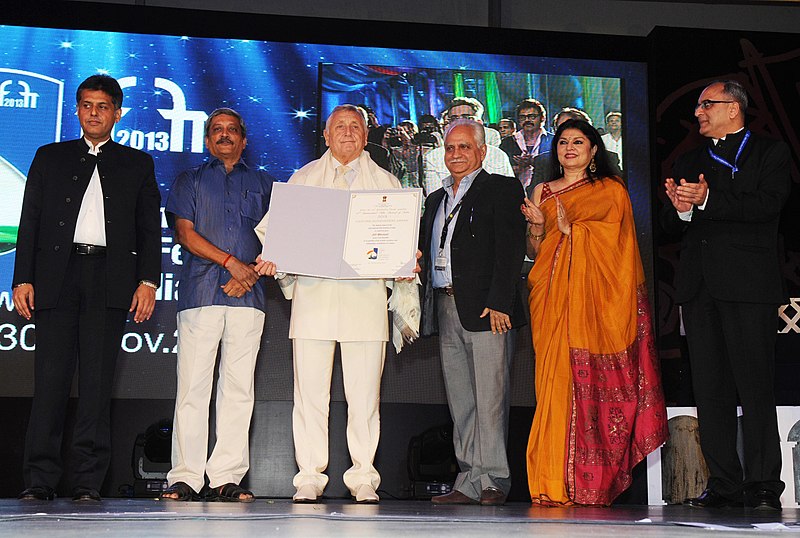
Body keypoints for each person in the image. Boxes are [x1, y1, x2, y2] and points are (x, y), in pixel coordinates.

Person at [12, 74, 161, 502]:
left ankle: (87, 484)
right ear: (77, 110)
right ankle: (38, 481)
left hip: (109, 280)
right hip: (57, 277)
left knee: (96, 387)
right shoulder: (49, 157)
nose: (93, 113)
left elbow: (149, 230)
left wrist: (148, 281)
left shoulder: (137, 164)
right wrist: (23, 277)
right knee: (51, 382)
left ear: (117, 113)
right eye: (86, 105)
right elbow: (30, 222)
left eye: (102, 106)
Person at [255, 104, 401, 504]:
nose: (348, 133)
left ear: (367, 135)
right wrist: (275, 257)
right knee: (310, 396)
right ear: (325, 134)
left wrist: (406, 258)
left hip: (365, 299)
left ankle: (364, 476)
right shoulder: (303, 178)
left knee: (365, 396)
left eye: (356, 127)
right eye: (340, 127)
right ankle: (308, 476)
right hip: (315, 299)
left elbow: (399, 242)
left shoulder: (387, 182)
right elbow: (277, 234)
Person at [522, 119, 668, 506]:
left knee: (581, 391)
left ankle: (585, 484)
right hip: (551, 301)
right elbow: (536, 252)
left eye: (578, 142)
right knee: (551, 388)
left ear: (593, 151)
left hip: (593, 308)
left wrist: (576, 232)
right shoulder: (542, 190)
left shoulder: (610, 191)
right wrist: (539, 228)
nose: (569, 148)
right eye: (563, 142)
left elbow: (620, 249)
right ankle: (549, 481)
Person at [662, 80, 790, 512]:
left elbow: (766, 206)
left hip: (749, 286)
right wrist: (681, 206)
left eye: (706, 104)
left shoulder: (770, 152)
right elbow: (669, 223)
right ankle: (723, 484)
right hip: (700, 289)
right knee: (710, 391)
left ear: (733, 108)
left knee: (754, 388)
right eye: (698, 106)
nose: (698, 112)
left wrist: (710, 197)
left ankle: (763, 485)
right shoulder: (690, 158)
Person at [161, 108, 274, 502]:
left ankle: (226, 476)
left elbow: (279, 241)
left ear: (244, 140)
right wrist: (231, 263)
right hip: (200, 293)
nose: (224, 136)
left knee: (239, 389)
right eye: (216, 130)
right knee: (193, 388)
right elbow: (185, 234)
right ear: (208, 140)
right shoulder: (189, 180)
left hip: (250, 296)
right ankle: (185, 477)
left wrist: (249, 276)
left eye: (232, 131)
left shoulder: (265, 183)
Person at [420, 119, 526, 506]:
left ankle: (494, 479)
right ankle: (467, 480)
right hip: (445, 305)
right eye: (450, 148)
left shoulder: (501, 188)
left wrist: (501, 301)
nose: (456, 155)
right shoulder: (434, 199)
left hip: (486, 309)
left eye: (465, 147)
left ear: (482, 152)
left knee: (490, 397)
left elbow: (510, 250)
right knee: (461, 399)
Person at [423, 98, 514, 196]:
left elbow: (510, 193)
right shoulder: (434, 157)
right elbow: (436, 200)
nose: (460, 122)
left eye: (466, 118)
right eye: (454, 119)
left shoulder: (497, 155)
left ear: (479, 123)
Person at [528, 107, 621, 196]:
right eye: (560, 129)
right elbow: (532, 198)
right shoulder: (543, 161)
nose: (566, 133)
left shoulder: (608, 159)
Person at [500, 98, 552, 189]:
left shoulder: (553, 141)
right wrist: (517, 168)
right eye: (523, 117)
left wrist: (534, 162)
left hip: (547, 192)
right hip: (514, 192)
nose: (527, 120)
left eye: (532, 117)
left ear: (542, 118)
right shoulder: (508, 142)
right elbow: (499, 170)